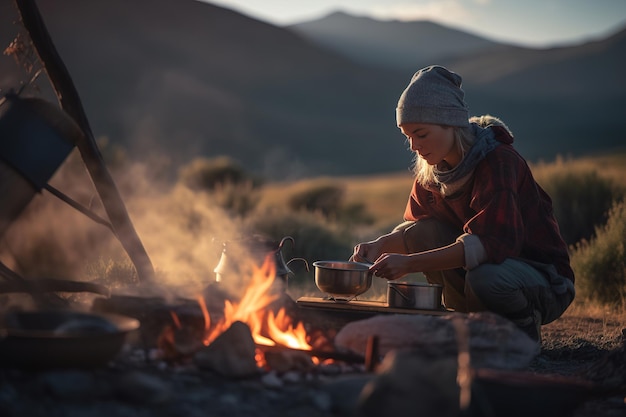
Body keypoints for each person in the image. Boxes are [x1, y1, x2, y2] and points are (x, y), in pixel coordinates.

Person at [351, 65, 575, 343]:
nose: (413, 146)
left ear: (452, 123)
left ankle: (522, 332)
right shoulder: (432, 168)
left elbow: (490, 244)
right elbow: (418, 232)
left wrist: (408, 263)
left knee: (486, 278)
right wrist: (380, 244)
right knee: (423, 230)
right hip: (484, 271)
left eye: (421, 134)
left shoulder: (498, 161)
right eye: (407, 136)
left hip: (541, 279)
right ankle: (469, 325)